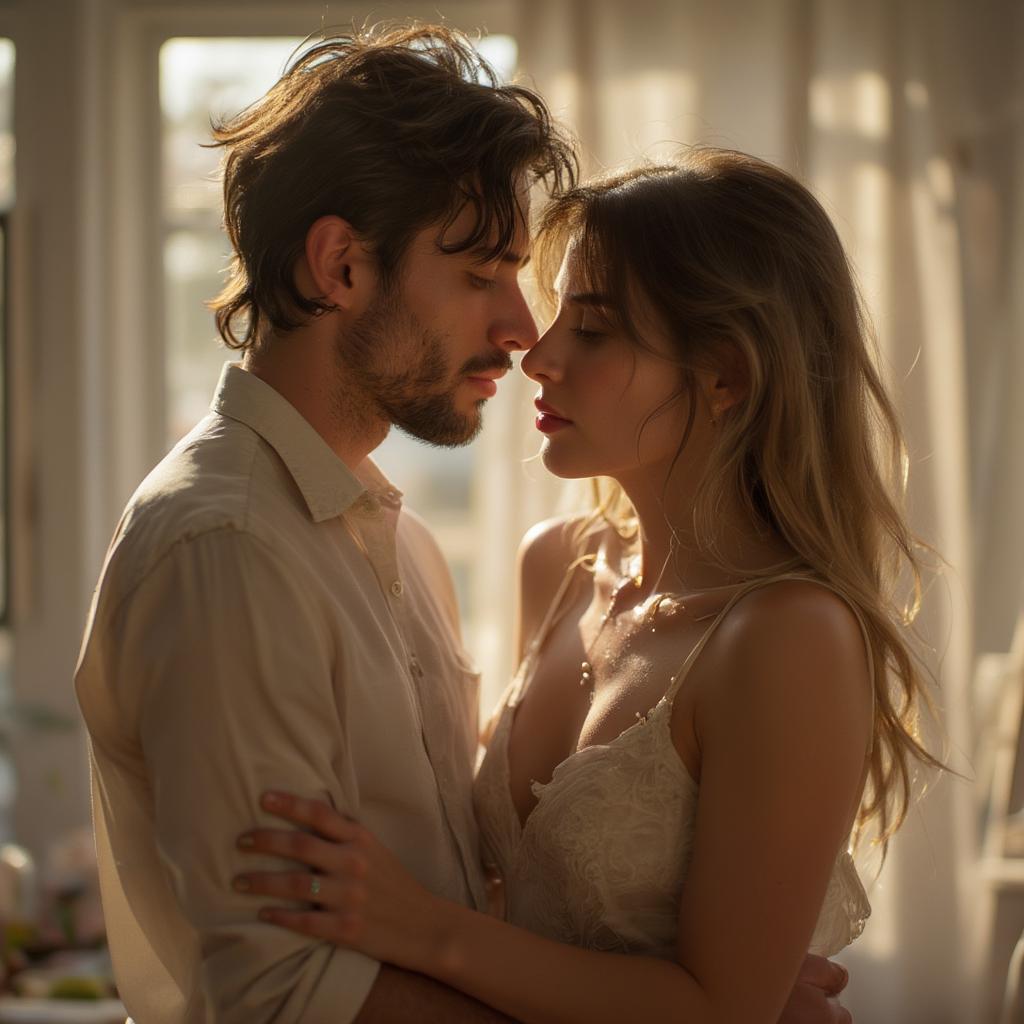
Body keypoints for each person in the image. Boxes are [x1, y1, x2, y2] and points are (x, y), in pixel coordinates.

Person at [74, 22, 849, 1023]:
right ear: (340, 268)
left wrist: (697, 993)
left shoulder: (397, 543)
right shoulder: (230, 550)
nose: (525, 334)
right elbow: (283, 998)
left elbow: (477, 892)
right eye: (482, 273)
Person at [231, 149, 943, 1023]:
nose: (539, 356)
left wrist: (423, 931)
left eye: (594, 329)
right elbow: (525, 902)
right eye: (559, 313)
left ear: (727, 375)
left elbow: (720, 1013)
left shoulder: (788, 636)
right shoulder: (558, 564)